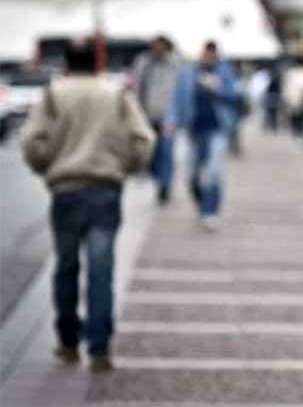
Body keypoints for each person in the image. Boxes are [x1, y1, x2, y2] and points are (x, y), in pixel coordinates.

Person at [21, 39, 155, 372]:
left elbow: (31, 141)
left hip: (66, 188)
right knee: (102, 268)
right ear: (97, 62)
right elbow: (144, 139)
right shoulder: (115, 94)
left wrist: (47, 167)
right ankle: (99, 346)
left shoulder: (54, 94)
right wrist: (125, 167)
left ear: (66, 63)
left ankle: (68, 341)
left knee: (66, 265)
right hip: (105, 188)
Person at [170, 41, 239, 230]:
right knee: (191, 176)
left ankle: (210, 211)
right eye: (206, 54)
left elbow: (235, 96)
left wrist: (218, 88)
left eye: (212, 55)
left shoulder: (224, 72)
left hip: (217, 129)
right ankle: (202, 204)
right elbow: (177, 99)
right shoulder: (189, 73)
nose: (208, 58)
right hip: (193, 129)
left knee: (213, 172)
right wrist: (172, 120)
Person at [131, 35, 180, 204]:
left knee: (166, 152)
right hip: (146, 114)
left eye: (160, 46)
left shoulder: (175, 64)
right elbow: (136, 87)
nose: (157, 49)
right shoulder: (143, 62)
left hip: (168, 116)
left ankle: (164, 186)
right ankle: (156, 176)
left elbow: (180, 90)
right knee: (150, 151)